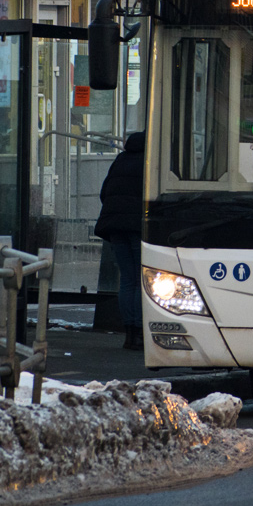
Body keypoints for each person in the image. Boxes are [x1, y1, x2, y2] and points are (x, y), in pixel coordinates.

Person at [95, 131, 146, 350]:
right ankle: (140, 333)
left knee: (126, 279)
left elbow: (104, 192)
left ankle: (129, 333)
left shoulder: (120, 160)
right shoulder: (149, 162)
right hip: (138, 227)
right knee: (140, 279)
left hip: (115, 226)